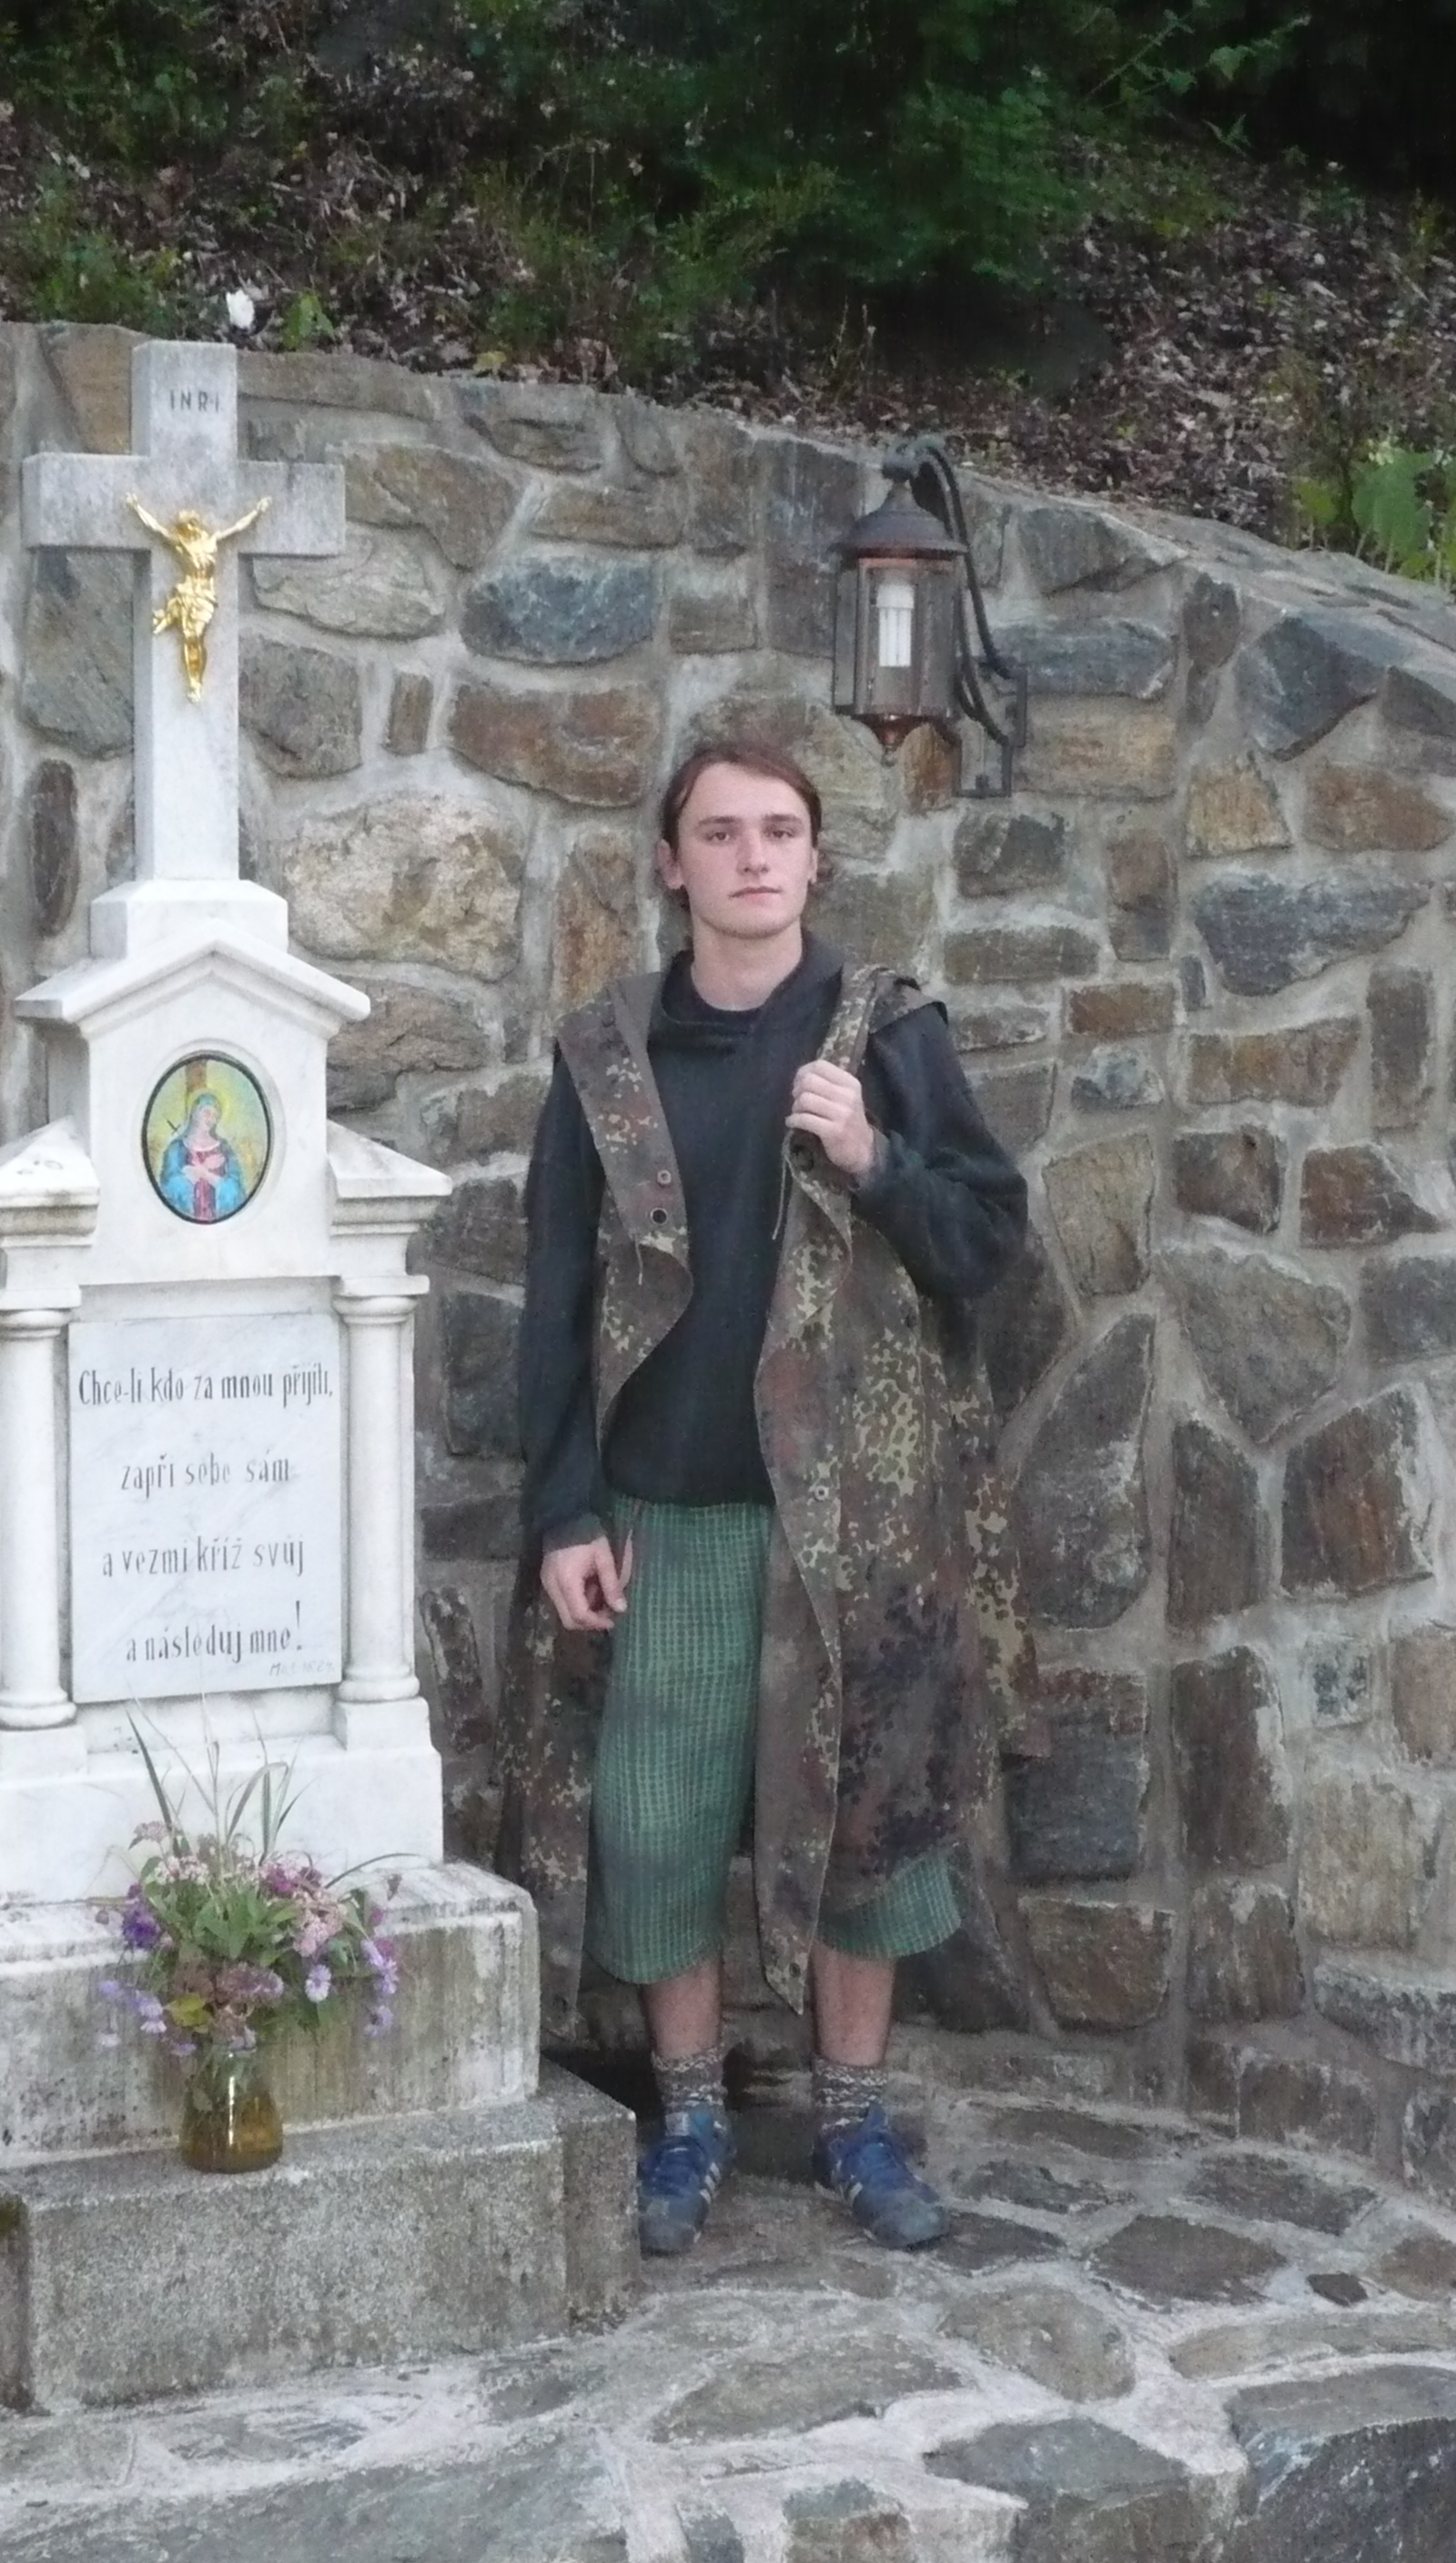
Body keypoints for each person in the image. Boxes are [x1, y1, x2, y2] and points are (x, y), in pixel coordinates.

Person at [499, 737, 1034, 2258]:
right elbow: (553, 1293)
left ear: (815, 860)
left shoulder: (888, 1035)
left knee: (868, 1830)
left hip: (861, 1533)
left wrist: (872, 1154)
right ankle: (690, 2118)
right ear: (671, 865)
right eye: (720, 832)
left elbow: (987, 1243)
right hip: (663, 1515)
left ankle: (854, 2118)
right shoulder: (605, 1056)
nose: (752, 857)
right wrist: (564, 1512)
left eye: (779, 831)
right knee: (656, 1826)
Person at [158, 1091, 248, 1222]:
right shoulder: (176, 1148)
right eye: (207, 1113)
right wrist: (202, 1168)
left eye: (215, 1116)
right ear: (194, 1112)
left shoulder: (224, 1149)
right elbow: (168, 1189)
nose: (211, 1119)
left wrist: (205, 1174)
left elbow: (236, 1190)